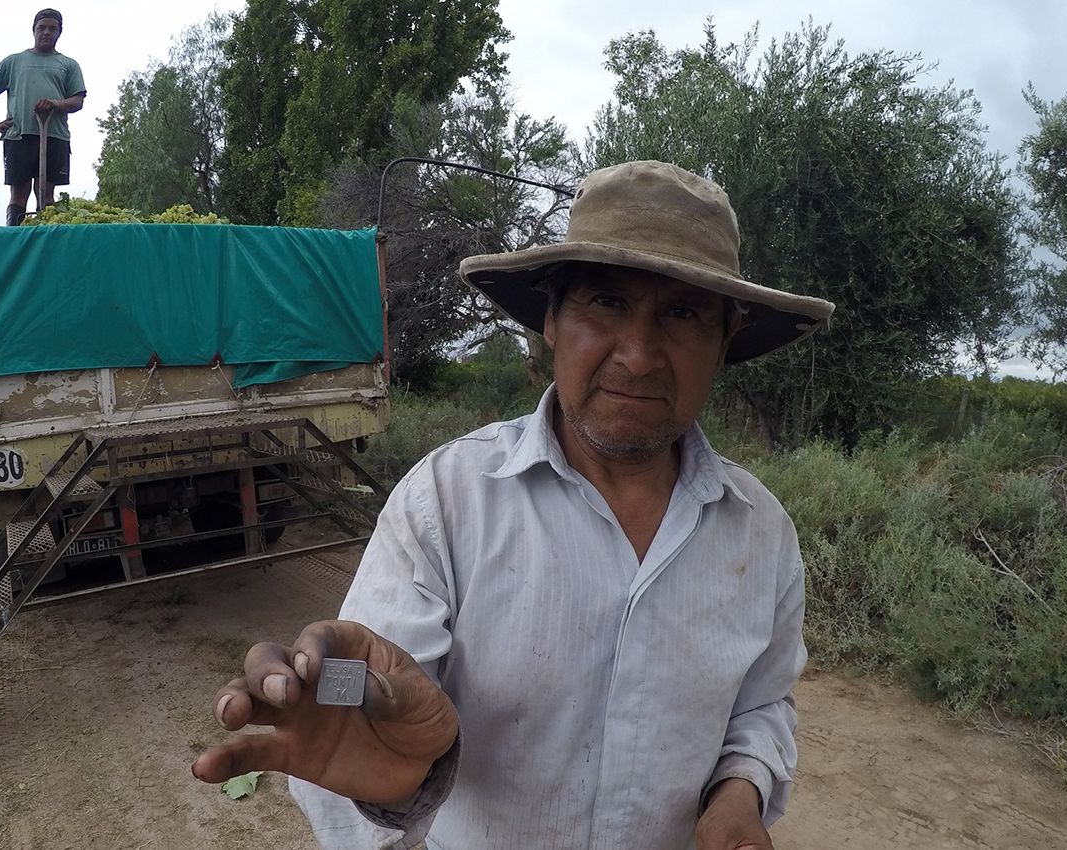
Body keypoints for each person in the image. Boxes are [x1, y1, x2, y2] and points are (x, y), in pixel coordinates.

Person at [192, 160, 837, 850]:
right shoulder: (445, 502)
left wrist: (739, 791)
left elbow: (761, 706)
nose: (639, 355)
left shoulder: (761, 533)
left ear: (725, 339)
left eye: (683, 313)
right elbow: (369, 697)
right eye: (606, 302)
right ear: (551, 319)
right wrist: (386, 764)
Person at [0, 8, 86, 226]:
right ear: (33, 30)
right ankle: (14, 235)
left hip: (54, 135)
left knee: (46, 193)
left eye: (52, 28)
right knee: (19, 192)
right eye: (41, 28)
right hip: (19, 135)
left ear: (60, 32)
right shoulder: (14, 62)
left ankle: (47, 236)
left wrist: (55, 103)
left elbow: (77, 101)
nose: (46, 32)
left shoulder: (68, 65)